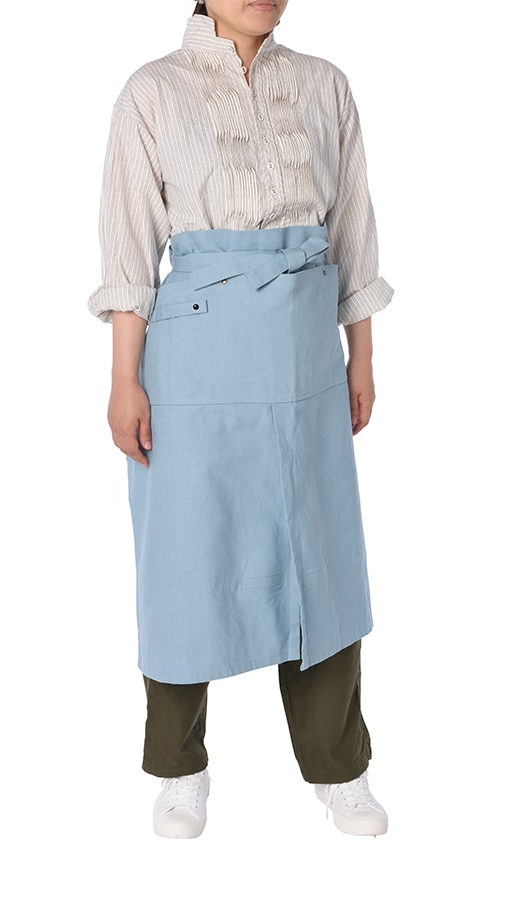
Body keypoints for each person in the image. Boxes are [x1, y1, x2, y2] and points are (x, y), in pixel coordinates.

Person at [88, 1, 393, 838]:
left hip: (303, 350)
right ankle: (179, 769)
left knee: (320, 555)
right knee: (185, 557)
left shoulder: (325, 85)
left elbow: (354, 227)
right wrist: (123, 379)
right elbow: (128, 244)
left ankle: (340, 766)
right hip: (195, 354)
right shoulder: (152, 91)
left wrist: (361, 357)